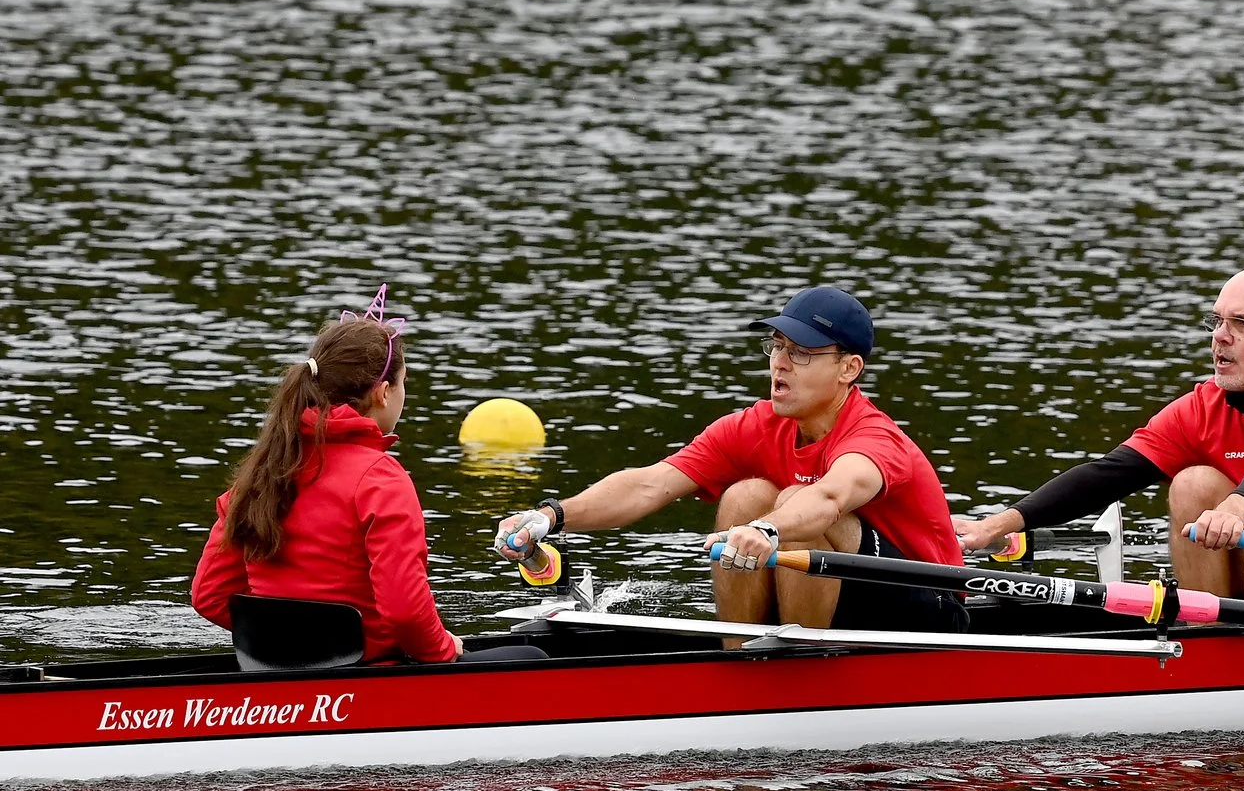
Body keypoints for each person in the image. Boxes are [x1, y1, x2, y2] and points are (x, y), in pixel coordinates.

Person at [494, 286, 967, 633]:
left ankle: (800, 668)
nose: (780, 363)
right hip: (836, 591)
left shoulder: (874, 437)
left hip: (927, 606)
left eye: (801, 352)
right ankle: (740, 658)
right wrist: (551, 516)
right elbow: (650, 484)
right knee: (745, 496)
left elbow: (829, 496)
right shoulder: (755, 426)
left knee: (792, 500)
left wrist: (769, 529)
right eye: (777, 347)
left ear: (848, 368)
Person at [954, 267, 1244, 604]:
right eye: (1217, 321)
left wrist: (1236, 508)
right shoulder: (1203, 406)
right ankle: (1215, 638)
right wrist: (1000, 525)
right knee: (1192, 482)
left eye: (1241, 324)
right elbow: (1110, 474)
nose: (1220, 337)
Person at [192, 289, 544, 665]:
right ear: (383, 392)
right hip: (369, 677)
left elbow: (210, 594)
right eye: (404, 383)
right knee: (536, 657)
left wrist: (290, 645)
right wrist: (442, 649)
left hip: (273, 684)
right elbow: (405, 609)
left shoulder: (261, 472)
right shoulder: (380, 479)